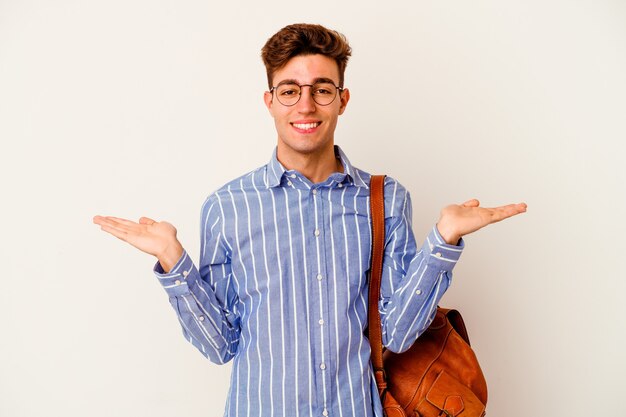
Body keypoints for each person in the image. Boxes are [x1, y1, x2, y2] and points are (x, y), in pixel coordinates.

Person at [93, 23, 526, 417]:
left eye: (321, 89)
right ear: (269, 101)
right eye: (289, 90)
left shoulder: (386, 199)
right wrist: (173, 260)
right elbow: (220, 345)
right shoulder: (227, 207)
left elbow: (397, 333)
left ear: (342, 100)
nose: (305, 105)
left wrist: (443, 241)